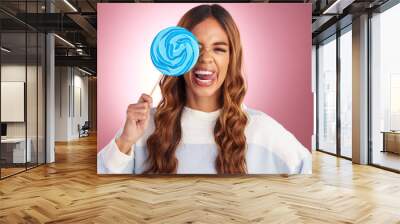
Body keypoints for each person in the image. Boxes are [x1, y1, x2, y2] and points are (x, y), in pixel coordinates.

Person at [98, 4, 312, 174]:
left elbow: (307, 172)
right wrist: (126, 141)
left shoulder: (260, 129)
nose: (206, 58)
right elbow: (106, 190)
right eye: (196, 49)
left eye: (219, 49)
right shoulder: (143, 127)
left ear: (231, 59)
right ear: (180, 57)